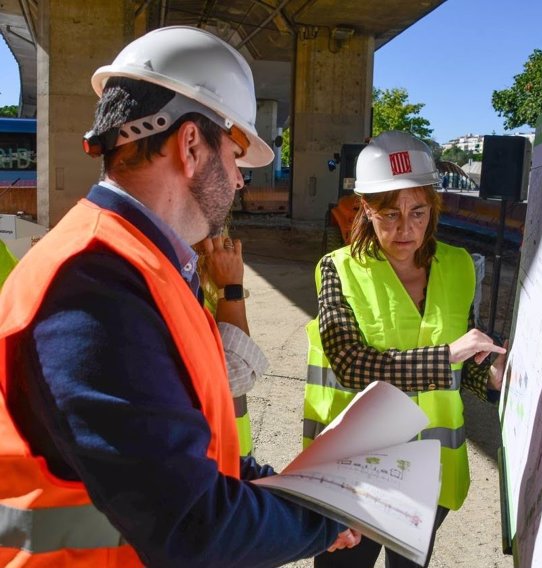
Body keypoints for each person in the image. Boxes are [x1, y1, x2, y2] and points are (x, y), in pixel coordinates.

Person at [0, 26, 360, 567]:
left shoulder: (144, 266)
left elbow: (181, 440)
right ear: (191, 145)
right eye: (237, 152)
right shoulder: (93, 282)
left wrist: (288, 488)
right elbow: (192, 524)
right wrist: (320, 520)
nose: (240, 179)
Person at [304, 130, 507, 568]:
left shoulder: (457, 267)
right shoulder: (338, 270)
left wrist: (489, 374)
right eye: (389, 214)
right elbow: (350, 364)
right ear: (365, 209)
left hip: (428, 473)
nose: (406, 228)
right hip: (353, 473)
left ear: (433, 207)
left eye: (418, 211)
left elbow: (461, 363)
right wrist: (446, 356)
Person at [195, 231, 268, 457]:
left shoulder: (204, 291)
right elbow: (238, 373)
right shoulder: (181, 288)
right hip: (208, 459)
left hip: (231, 456)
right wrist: (230, 286)